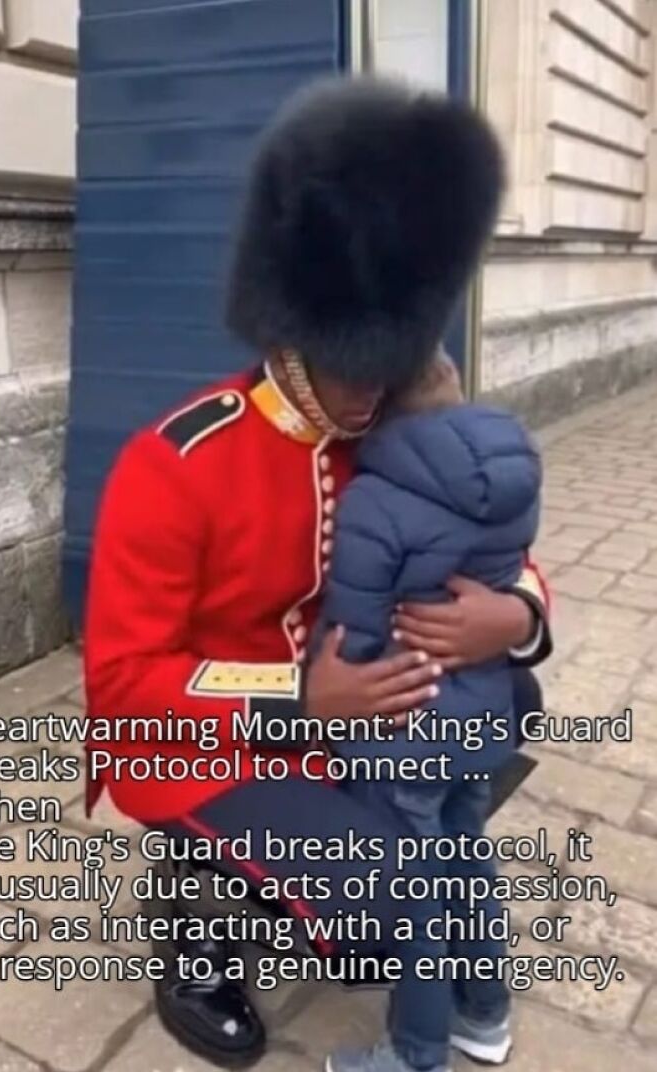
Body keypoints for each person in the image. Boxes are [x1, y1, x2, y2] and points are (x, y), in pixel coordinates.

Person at [83, 76, 552, 1070]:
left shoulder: (392, 415)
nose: (373, 391)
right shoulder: (176, 463)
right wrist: (298, 703)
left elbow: (500, 553)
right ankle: (195, 930)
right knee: (386, 895)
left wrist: (508, 618)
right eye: (355, 364)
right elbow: (123, 689)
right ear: (293, 330)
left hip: (355, 710)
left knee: (513, 695)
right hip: (211, 739)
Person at [315, 349, 541, 1071]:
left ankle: (415, 1052)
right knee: (468, 863)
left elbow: (353, 633)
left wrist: (319, 698)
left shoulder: (375, 499)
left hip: (401, 726)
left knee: (410, 892)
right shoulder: (515, 470)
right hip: (478, 718)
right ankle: (485, 1014)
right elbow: (510, 578)